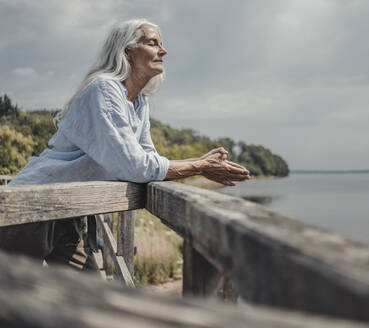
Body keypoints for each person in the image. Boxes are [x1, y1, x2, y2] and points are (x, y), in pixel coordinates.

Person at [0, 18, 250, 271]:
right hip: (32, 205)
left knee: (88, 297)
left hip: (69, 209)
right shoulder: (104, 89)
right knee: (12, 292)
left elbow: (147, 157)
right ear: (127, 51)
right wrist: (199, 166)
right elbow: (134, 166)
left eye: (161, 44)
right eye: (153, 43)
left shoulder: (139, 102)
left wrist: (200, 164)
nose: (163, 51)